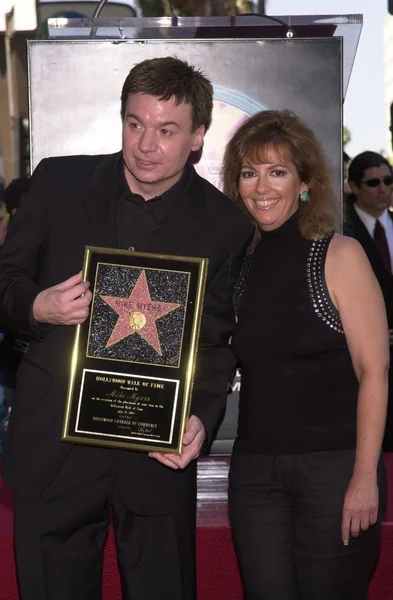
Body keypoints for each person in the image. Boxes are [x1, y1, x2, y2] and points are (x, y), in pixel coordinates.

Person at [0, 56, 253, 600]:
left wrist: (203, 419)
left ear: (197, 137)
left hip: (155, 458)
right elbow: (5, 278)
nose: (145, 144)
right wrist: (37, 306)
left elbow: (214, 345)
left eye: (166, 131)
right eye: (135, 124)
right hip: (54, 451)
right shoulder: (58, 182)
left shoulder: (225, 226)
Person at [222, 110, 388, 600]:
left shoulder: (340, 255)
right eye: (250, 173)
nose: (262, 186)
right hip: (254, 476)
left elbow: (375, 371)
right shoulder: (239, 266)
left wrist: (363, 478)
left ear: (305, 183)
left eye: (278, 171)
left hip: (332, 472)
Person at [344, 151, 393, 451]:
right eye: (373, 182)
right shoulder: (344, 234)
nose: (383, 188)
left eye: (388, 180)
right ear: (354, 187)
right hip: (362, 361)